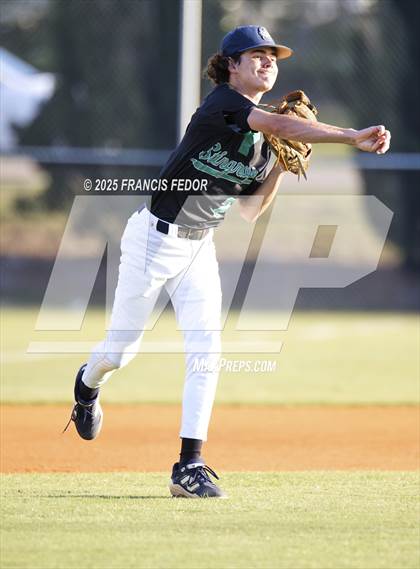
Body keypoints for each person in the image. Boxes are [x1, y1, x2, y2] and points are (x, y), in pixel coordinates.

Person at [65, 25, 391, 498]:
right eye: (255, 54)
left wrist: (281, 164)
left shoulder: (263, 138)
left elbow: (251, 209)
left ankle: (189, 466)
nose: (267, 61)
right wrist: (350, 136)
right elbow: (276, 124)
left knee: (207, 352)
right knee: (119, 353)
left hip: (200, 247)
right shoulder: (222, 103)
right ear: (231, 65)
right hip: (154, 240)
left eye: (272, 55)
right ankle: (86, 386)